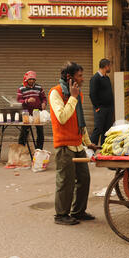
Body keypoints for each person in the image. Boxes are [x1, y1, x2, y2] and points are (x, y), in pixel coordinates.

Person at [49, 62, 99, 225]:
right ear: (69, 77)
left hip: (78, 144)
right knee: (65, 182)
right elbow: (62, 117)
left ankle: (78, 211)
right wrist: (73, 97)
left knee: (84, 179)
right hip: (64, 146)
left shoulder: (77, 95)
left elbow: (79, 121)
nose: (82, 79)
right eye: (79, 76)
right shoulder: (55, 93)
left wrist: (88, 142)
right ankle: (61, 215)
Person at [16, 71, 47, 150]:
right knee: (24, 132)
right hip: (27, 114)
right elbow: (19, 101)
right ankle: (21, 149)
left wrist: (44, 103)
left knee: (40, 132)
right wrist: (27, 101)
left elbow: (44, 98)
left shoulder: (39, 88)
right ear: (26, 80)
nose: (32, 81)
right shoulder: (21, 88)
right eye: (30, 79)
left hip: (37, 113)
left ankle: (39, 150)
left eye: (33, 79)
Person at [89, 58, 115, 146]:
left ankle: (104, 148)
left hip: (109, 108)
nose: (110, 68)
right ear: (105, 66)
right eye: (109, 66)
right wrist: (97, 108)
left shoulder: (106, 78)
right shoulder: (95, 78)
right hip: (101, 109)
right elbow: (92, 94)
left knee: (107, 130)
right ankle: (91, 149)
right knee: (98, 129)